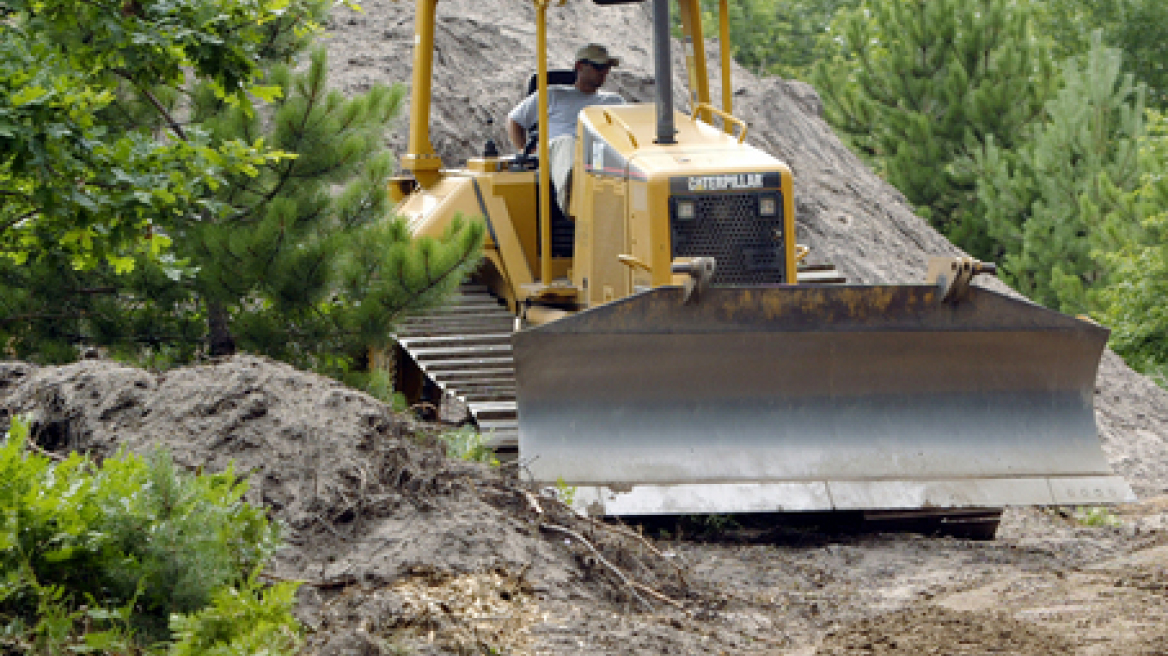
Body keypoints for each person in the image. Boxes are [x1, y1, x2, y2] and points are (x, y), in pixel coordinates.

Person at [507, 43, 624, 214]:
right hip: (555, 155)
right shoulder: (552, 94)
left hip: (598, 157)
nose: (604, 72)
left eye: (607, 67)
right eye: (599, 67)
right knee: (568, 143)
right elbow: (515, 120)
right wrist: (523, 149)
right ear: (579, 66)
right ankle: (575, 206)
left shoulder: (615, 101)